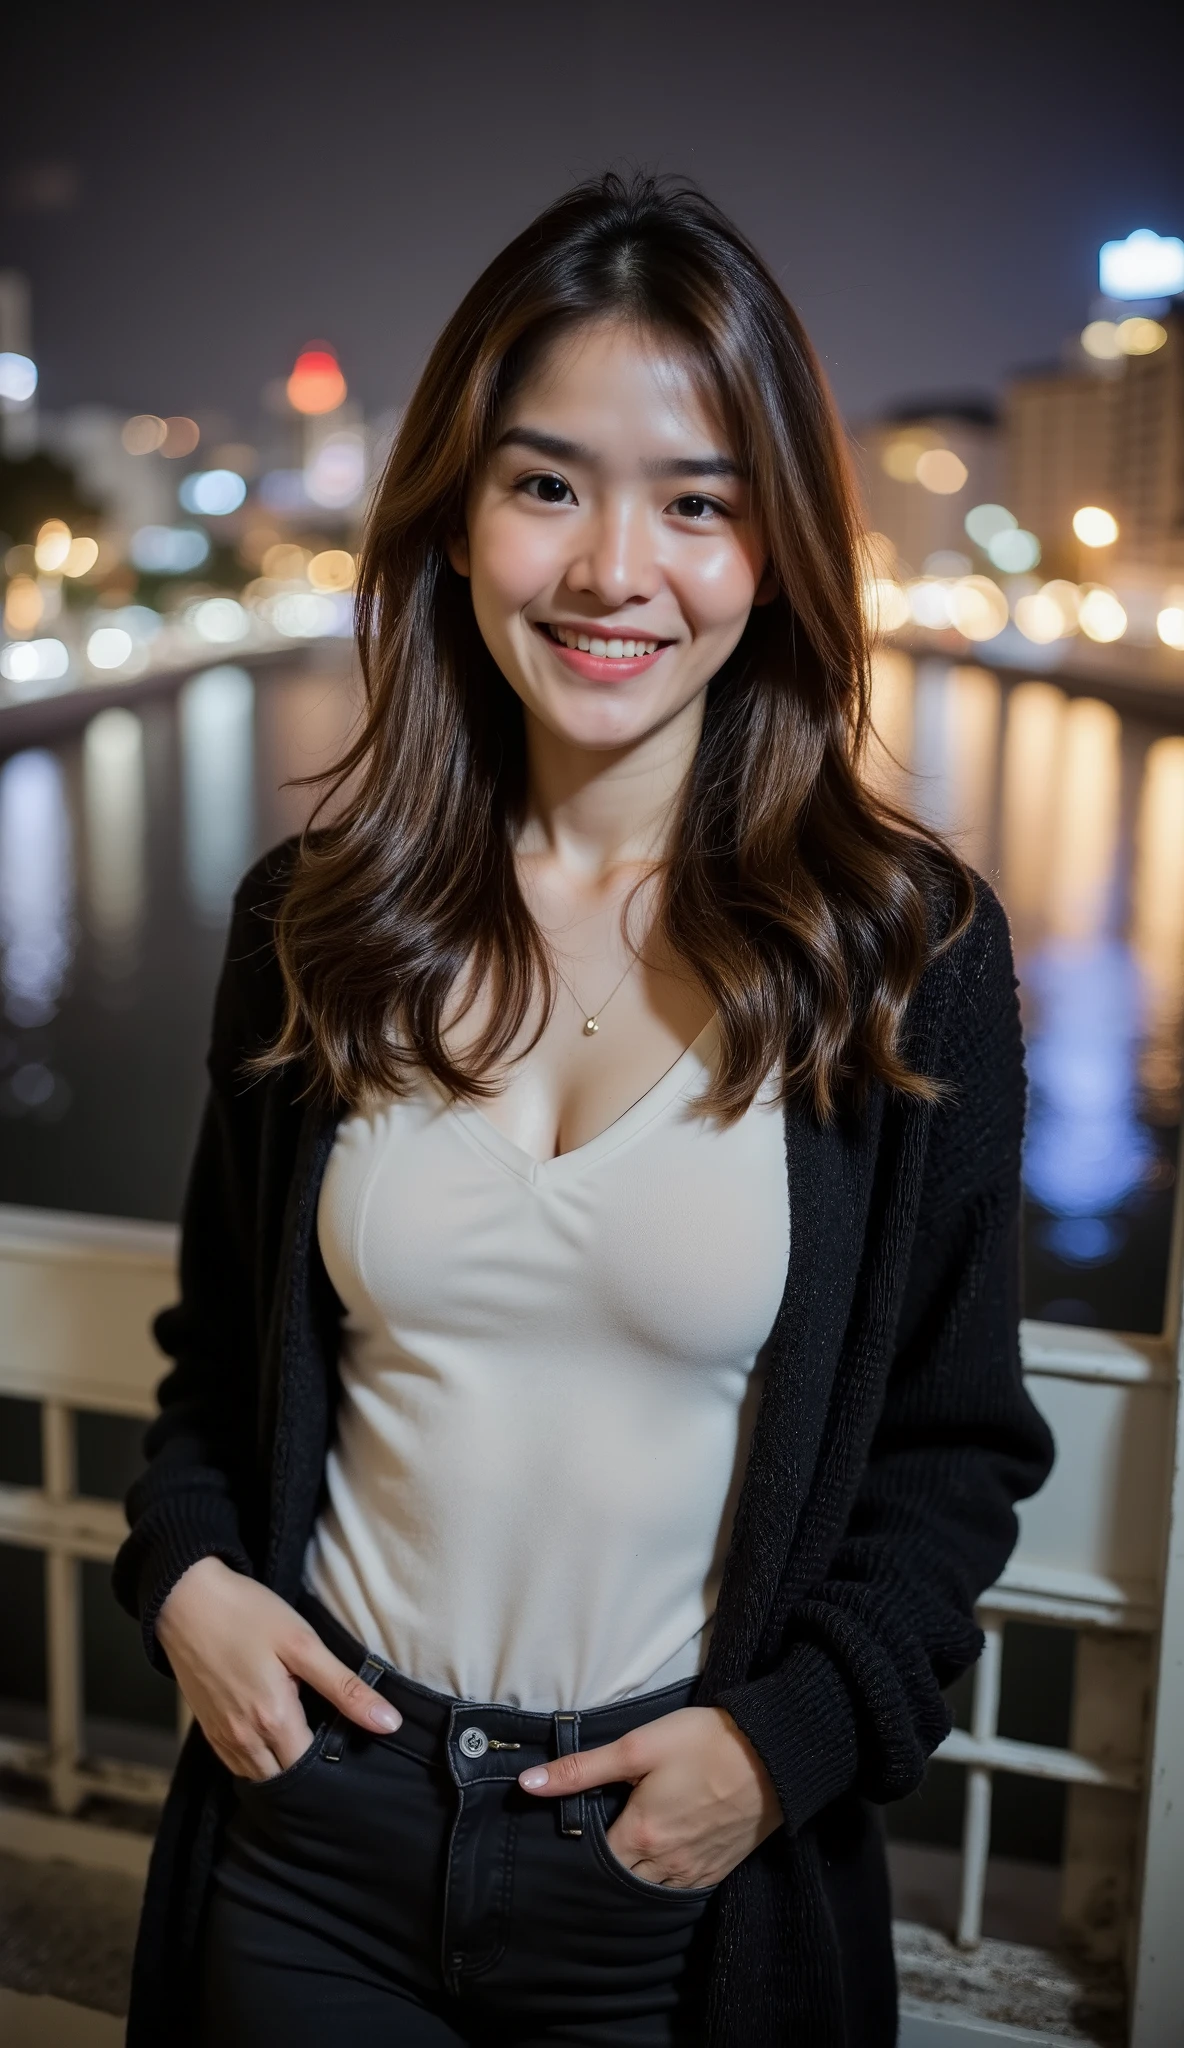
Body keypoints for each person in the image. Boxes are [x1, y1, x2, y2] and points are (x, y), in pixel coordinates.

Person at [113, 171, 1055, 2048]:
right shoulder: (318, 928)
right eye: (547, 484)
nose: (615, 569)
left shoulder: (904, 957)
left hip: (663, 1877)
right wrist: (186, 1578)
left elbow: (955, 1455)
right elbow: (219, 1367)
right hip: (311, 1825)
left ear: (774, 550)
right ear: (455, 517)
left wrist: (779, 1754)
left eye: (696, 503)